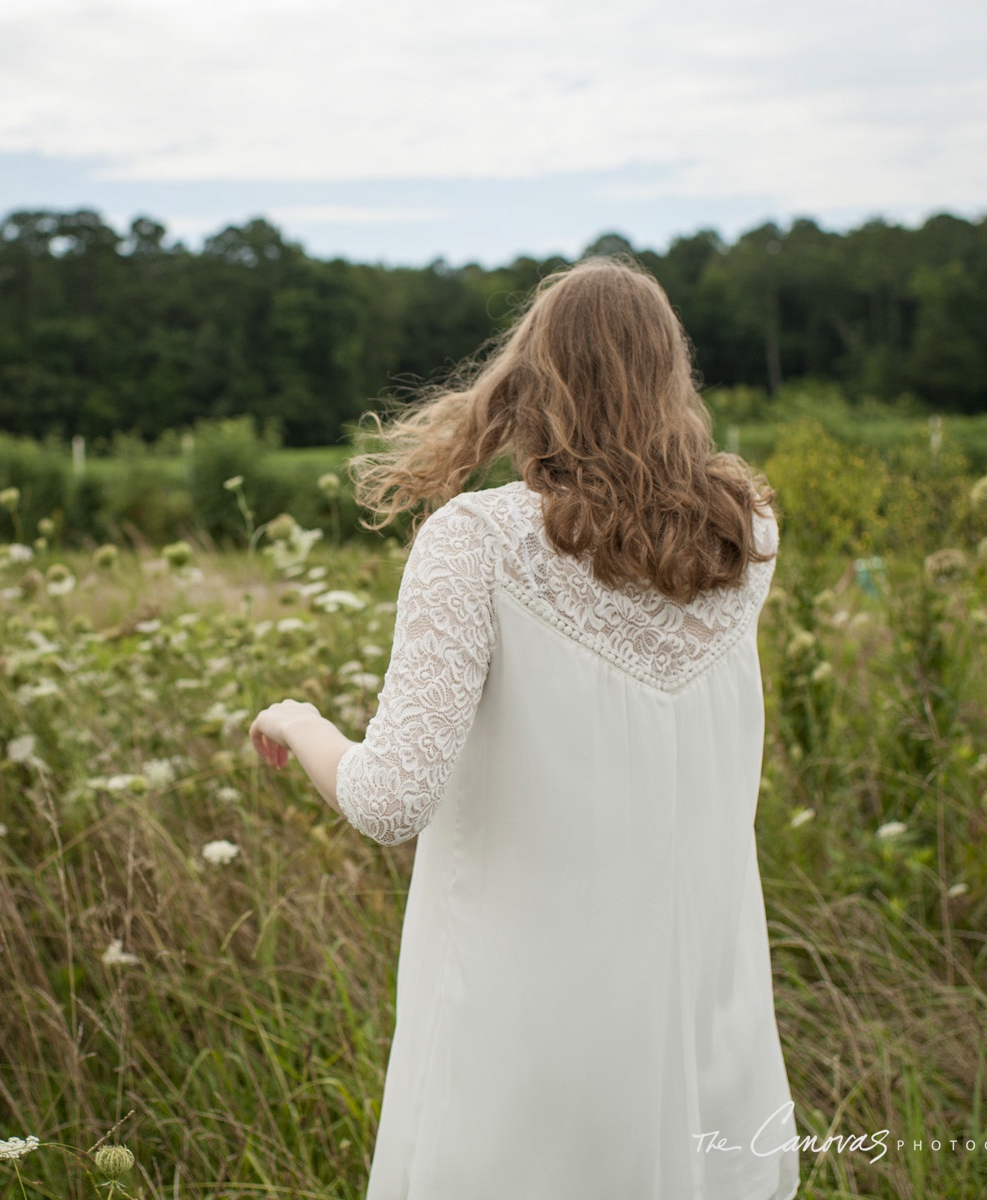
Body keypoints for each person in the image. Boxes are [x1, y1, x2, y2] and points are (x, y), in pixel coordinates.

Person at [247, 256, 800, 1199]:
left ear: (535, 380)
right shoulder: (745, 536)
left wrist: (301, 722)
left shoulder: (477, 541)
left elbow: (390, 800)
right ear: (673, 378)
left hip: (520, 1040)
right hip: (703, 1027)